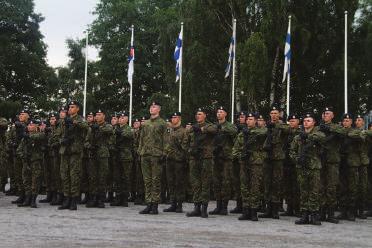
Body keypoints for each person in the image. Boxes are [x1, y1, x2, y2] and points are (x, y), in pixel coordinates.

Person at [290, 113, 325, 225]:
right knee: (304, 191)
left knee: (314, 191)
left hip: (314, 167)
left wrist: (308, 136)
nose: (306, 122)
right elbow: (292, 151)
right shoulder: (297, 137)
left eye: (309, 120)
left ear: (314, 122)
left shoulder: (318, 134)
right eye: (304, 120)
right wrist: (297, 159)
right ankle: (304, 214)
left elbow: (322, 138)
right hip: (302, 167)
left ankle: (314, 214)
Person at [260, 105, 290, 219]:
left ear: (279, 115)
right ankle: (268, 209)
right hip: (267, 157)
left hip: (278, 158)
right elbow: (260, 133)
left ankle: (276, 210)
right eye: (272, 113)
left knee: (276, 183)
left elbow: (289, 129)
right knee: (267, 183)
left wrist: (276, 125)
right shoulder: (267, 125)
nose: (273, 115)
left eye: (276, 113)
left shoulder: (281, 125)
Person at [235, 113, 267, 221]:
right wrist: (241, 156)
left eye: (251, 119)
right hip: (244, 163)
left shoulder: (260, 131)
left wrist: (250, 132)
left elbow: (264, 132)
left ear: (256, 121)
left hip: (255, 163)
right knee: (244, 187)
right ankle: (246, 211)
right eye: (247, 119)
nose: (248, 121)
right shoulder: (241, 135)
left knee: (255, 187)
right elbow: (235, 150)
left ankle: (254, 211)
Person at [186, 108, 217, 218]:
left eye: (200, 114)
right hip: (194, 158)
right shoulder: (193, 127)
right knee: (195, 183)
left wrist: (201, 129)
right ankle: (196, 208)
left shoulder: (209, 126)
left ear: (205, 115)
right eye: (196, 114)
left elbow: (214, 130)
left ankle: (204, 208)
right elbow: (186, 139)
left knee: (205, 183)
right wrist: (189, 150)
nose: (197, 116)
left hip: (205, 158)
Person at [138, 102, 167, 215]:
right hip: (145, 154)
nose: (151, 108)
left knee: (156, 180)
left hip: (156, 155)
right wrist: (140, 151)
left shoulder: (163, 123)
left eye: (154, 107)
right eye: (150, 107)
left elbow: (166, 140)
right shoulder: (145, 123)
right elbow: (141, 138)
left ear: (159, 109)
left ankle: (155, 205)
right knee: (147, 181)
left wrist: (164, 154)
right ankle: (148, 204)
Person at [58, 101, 88, 211]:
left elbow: (86, 127)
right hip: (65, 151)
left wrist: (74, 122)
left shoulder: (80, 119)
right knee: (64, 175)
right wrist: (62, 140)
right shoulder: (64, 121)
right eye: (69, 107)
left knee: (74, 176)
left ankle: (74, 200)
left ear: (77, 109)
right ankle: (66, 199)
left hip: (75, 151)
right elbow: (58, 134)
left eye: (72, 107)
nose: (70, 109)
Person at [317, 107, 346, 223]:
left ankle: (331, 214)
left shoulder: (337, 127)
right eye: (324, 113)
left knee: (332, 187)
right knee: (321, 187)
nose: (325, 115)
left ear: (332, 116)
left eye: (328, 113)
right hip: (320, 160)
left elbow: (343, 132)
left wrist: (329, 128)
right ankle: (322, 212)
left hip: (332, 161)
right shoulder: (319, 127)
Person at [209, 106, 237, 215]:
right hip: (216, 157)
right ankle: (218, 205)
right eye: (218, 112)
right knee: (216, 182)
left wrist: (223, 128)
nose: (219, 114)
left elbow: (234, 131)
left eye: (221, 112)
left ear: (225, 114)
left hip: (226, 158)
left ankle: (224, 207)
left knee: (226, 182)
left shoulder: (230, 126)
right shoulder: (214, 126)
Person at [86, 110, 113, 208]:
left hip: (103, 154)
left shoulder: (107, 126)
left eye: (99, 114)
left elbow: (110, 131)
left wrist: (99, 129)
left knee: (102, 177)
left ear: (104, 116)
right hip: (93, 154)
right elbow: (86, 141)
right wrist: (89, 146)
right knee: (93, 177)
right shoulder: (91, 128)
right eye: (96, 115)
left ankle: (101, 199)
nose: (97, 116)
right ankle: (93, 198)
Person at [163, 112, 188, 213]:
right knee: (170, 182)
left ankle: (179, 204)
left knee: (179, 183)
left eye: (175, 117)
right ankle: (172, 203)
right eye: (172, 117)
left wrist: (182, 157)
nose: (173, 119)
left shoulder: (183, 131)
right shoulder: (170, 131)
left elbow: (185, 147)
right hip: (169, 159)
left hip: (179, 161)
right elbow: (166, 144)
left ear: (180, 119)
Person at [18, 119, 45, 208]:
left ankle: (33, 200)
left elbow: (39, 137)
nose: (30, 127)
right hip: (26, 162)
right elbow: (19, 150)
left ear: (36, 126)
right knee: (26, 180)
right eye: (29, 125)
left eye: (32, 125)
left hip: (35, 162)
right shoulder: (24, 138)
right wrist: (23, 156)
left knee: (35, 181)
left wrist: (28, 136)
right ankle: (27, 199)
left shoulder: (40, 134)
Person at [111, 111, 133, 207]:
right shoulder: (115, 129)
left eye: (123, 117)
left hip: (126, 156)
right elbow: (111, 140)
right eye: (119, 117)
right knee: (117, 177)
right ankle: (118, 197)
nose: (120, 119)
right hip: (117, 155)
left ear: (127, 119)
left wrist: (120, 132)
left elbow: (128, 135)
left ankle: (125, 198)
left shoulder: (128, 128)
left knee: (126, 177)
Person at [281, 114, 301, 217]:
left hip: (296, 162)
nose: (292, 123)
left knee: (296, 186)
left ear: (298, 122)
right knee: (287, 185)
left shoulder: (301, 133)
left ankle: (297, 208)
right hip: (286, 161)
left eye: (294, 120)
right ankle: (289, 208)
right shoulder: (286, 132)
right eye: (291, 121)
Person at [10, 109, 30, 205]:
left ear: (28, 116)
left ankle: (27, 196)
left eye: (23, 114)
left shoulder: (30, 126)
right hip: (16, 153)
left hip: (25, 153)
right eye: (20, 114)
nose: (21, 116)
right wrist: (12, 143)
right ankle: (21, 194)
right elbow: (10, 138)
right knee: (18, 175)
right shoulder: (15, 127)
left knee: (25, 175)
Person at [230, 111, 247, 214]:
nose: (241, 119)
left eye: (242, 117)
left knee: (244, 183)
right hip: (235, 158)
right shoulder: (235, 128)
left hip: (244, 158)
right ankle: (238, 204)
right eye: (239, 117)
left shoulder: (249, 129)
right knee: (236, 182)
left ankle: (246, 206)